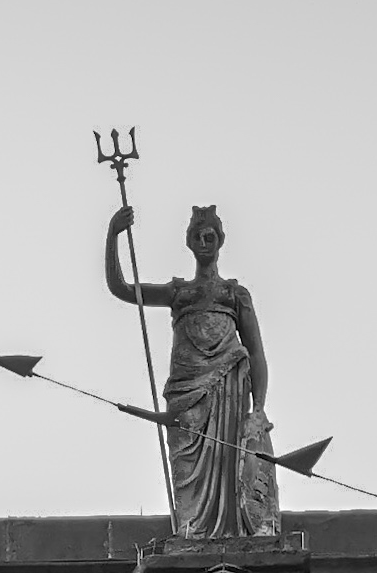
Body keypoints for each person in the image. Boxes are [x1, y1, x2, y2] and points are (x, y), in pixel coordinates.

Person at [102, 204, 279, 542]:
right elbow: (121, 288)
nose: (203, 242)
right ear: (189, 243)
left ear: (219, 241)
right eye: (197, 236)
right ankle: (192, 533)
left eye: (209, 236)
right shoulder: (178, 293)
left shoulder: (235, 294)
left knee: (229, 463)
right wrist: (113, 235)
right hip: (186, 394)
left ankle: (231, 534)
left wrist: (259, 408)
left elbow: (256, 353)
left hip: (227, 387)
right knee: (187, 467)